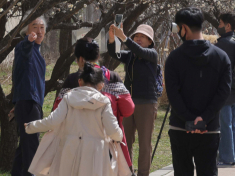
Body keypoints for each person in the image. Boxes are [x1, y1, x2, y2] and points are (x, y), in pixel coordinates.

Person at [165, 7, 231, 176]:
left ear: (184, 28)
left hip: (180, 127)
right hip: (209, 128)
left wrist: (189, 118)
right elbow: (223, 93)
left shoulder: (174, 58)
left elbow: (173, 94)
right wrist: (204, 117)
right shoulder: (222, 57)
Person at [24, 63, 123, 176]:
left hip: (69, 149)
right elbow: (113, 130)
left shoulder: (68, 98)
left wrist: (31, 126)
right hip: (95, 152)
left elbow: (52, 122)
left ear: (79, 81)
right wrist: (118, 137)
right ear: (101, 85)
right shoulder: (103, 102)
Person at [53, 37, 135, 171]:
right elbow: (128, 109)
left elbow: (58, 112)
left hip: (77, 146)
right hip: (109, 146)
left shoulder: (73, 80)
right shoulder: (112, 77)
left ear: (79, 59)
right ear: (98, 56)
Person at [108, 23, 159, 176]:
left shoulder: (152, 54)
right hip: (128, 103)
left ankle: (143, 173)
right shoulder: (130, 55)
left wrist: (124, 37)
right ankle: (127, 172)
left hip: (146, 104)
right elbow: (115, 53)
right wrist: (112, 39)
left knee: (144, 143)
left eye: (143, 37)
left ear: (150, 41)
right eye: (137, 35)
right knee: (125, 140)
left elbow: (139, 51)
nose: (138, 38)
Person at [11, 17, 47, 176]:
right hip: (28, 103)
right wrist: (29, 41)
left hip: (30, 103)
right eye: (35, 27)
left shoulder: (37, 51)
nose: (39, 31)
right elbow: (25, 49)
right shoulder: (24, 47)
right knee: (31, 147)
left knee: (24, 146)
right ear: (26, 30)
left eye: (42, 28)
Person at [215, 12, 235, 167]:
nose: (218, 26)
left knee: (225, 125)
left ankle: (226, 158)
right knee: (233, 125)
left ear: (228, 25)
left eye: (220, 23)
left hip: (224, 90)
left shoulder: (223, 44)